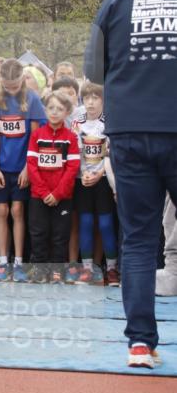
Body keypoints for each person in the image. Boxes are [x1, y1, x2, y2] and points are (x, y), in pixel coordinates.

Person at [84, 0, 177, 369]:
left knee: (139, 241)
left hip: (130, 131)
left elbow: (93, 71)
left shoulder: (116, 0)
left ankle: (140, 343)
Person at [0, 59, 46, 282]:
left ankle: (19, 261)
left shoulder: (32, 98)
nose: (11, 90)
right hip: (1, 165)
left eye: (15, 85)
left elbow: (35, 136)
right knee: (1, 211)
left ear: (22, 79)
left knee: (18, 210)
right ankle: (3, 261)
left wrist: (28, 169)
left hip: (23, 165)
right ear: (0, 79)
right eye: (7, 85)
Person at [67, 82, 119, 285]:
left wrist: (98, 175)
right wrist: (84, 173)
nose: (90, 102)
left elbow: (109, 154)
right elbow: (75, 152)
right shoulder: (77, 122)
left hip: (104, 180)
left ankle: (112, 268)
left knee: (105, 224)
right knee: (85, 223)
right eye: (86, 98)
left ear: (103, 101)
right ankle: (87, 269)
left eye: (95, 98)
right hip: (83, 180)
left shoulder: (109, 122)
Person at [26, 91, 80, 283]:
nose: (54, 112)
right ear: (45, 110)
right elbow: (32, 166)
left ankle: (58, 270)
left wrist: (57, 194)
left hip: (62, 197)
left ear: (67, 112)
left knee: (60, 235)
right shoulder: (37, 135)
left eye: (59, 109)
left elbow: (72, 168)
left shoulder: (71, 138)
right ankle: (39, 269)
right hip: (38, 196)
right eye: (51, 108)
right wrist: (43, 192)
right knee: (38, 233)